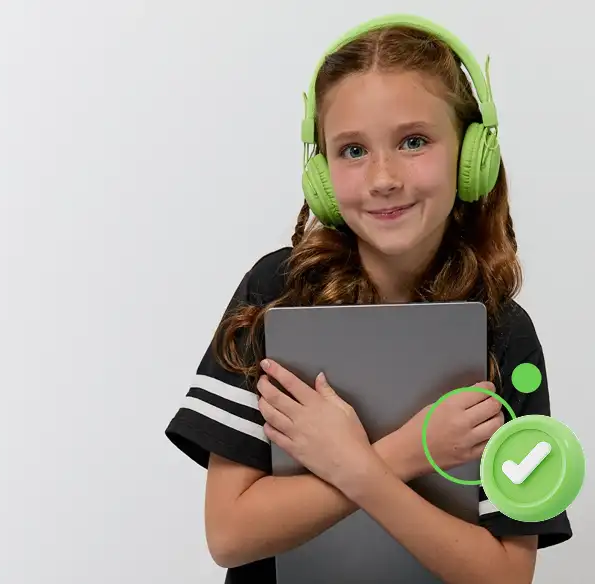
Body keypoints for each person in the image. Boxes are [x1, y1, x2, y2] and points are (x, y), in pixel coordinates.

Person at [165, 14, 572, 584]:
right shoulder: (276, 294)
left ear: (472, 155)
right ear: (322, 175)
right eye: (353, 150)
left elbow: (505, 576)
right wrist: (410, 451)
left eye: (413, 142)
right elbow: (230, 536)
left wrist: (356, 466)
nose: (383, 178)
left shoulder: (503, 331)